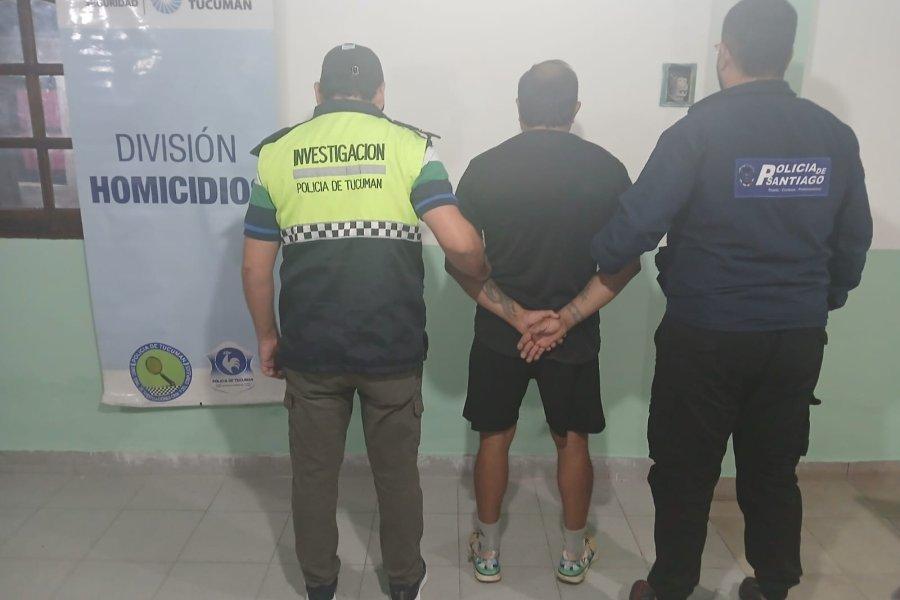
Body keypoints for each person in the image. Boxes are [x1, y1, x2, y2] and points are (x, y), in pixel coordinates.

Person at [538, 1, 872, 598]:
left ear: (725, 52)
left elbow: (631, 232)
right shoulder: (834, 136)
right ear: (787, 55)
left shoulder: (697, 132)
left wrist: (597, 246)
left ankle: (670, 588)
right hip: (795, 337)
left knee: (685, 470)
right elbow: (854, 242)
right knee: (773, 469)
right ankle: (774, 585)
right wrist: (819, 299)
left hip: (707, 336)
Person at [241, 43, 490, 600]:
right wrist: (480, 267)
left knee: (314, 476)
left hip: (310, 351)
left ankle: (320, 583)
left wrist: (267, 336)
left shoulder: (278, 154)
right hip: (391, 349)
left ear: (318, 92)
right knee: (397, 475)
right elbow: (460, 243)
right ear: (380, 94)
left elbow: (255, 267)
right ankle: (403, 582)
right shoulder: (410, 147)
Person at [447, 60, 641, 586]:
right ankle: (573, 555)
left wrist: (516, 316)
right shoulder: (606, 169)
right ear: (575, 108)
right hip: (571, 330)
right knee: (572, 438)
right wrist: (565, 318)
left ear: (519, 107)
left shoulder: (485, 167)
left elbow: (459, 260)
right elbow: (626, 262)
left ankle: (488, 553)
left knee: (494, 436)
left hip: (500, 329)